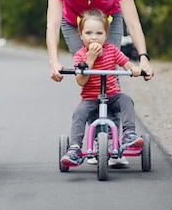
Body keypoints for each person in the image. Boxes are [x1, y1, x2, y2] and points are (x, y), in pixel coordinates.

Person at [60, 9, 149, 168]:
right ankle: (75, 147)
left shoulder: (112, 50)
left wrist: (133, 68)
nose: (93, 37)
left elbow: (125, 62)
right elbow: (81, 81)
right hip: (90, 98)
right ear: (81, 35)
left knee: (127, 100)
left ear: (106, 35)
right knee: (79, 113)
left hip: (112, 95)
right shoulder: (80, 55)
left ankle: (129, 134)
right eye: (88, 33)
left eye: (99, 33)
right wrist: (90, 59)